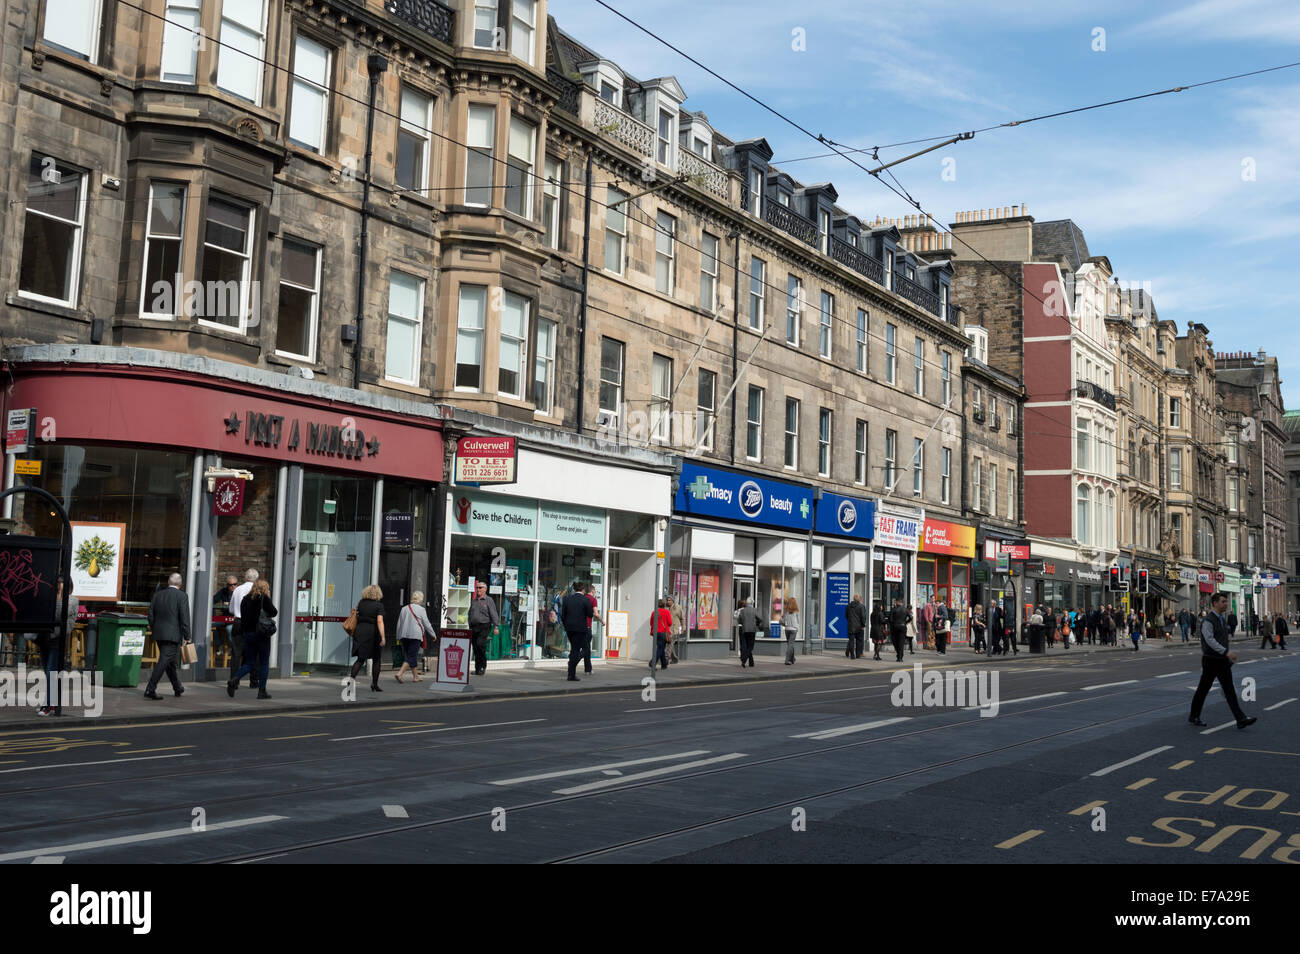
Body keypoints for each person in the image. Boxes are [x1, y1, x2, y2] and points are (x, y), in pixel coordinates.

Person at [1189, 591, 1256, 730]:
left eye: (1226, 601)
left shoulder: (1221, 619)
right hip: (1211, 660)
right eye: (1223, 602)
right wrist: (1225, 651)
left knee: (1229, 689)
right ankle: (1194, 715)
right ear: (1215, 603)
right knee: (1203, 689)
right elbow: (1209, 640)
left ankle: (1240, 719)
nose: (1226, 604)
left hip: (1221, 660)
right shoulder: (1208, 620)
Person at [226, 579, 277, 698]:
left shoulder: (245, 599)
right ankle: (262, 691)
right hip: (262, 634)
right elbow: (274, 612)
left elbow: (243, 618)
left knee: (249, 663)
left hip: (248, 634)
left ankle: (234, 679)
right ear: (265, 588)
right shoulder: (264, 598)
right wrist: (268, 598)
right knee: (264, 663)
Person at [35, 577, 79, 716]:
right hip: (44, 639)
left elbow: (59, 614)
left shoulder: (72, 600)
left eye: (61, 583)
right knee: (48, 674)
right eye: (58, 583)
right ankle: (51, 703)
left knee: (51, 673)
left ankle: (47, 706)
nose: (59, 585)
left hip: (57, 640)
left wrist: (59, 596)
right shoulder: (49, 598)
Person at [144, 572, 191, 700]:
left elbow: (150, 615)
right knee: (164, 661)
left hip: (159, 634)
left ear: (169, 583)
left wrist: (155, 628)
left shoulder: (158, 595)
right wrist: (187, 635)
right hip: (172, 635)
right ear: (180, 584)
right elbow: (184, 617)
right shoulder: (182, 596)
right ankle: (150, 689)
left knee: (169, 662)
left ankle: (177, 687)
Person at [395, 591, 437, 683]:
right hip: (415, 636)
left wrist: (398, 636)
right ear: (421, 599)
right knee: (411, 656)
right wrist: (433, 634)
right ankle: (400, 673)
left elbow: (399, 623)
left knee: (410, 655)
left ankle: (415, 677)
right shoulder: (421, 610)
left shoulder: (404, 609)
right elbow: (427, 624)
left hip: (404, 635)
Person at [229, 569, 257, 688]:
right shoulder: (257, 590)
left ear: (245, 577)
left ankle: (234, 681)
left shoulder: (237, 589)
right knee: (254, 652)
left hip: (238, 622)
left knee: (236, 653)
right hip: (252, 623)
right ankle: (253, 680)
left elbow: (231, 609)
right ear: (256, 578)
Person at [466, 579, 499, 677]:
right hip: (474, 626)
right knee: (475, 647)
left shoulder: (489, 600)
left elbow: (493, 613)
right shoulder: (474, 600)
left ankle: (482, 666)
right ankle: (477, 669)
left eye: (480, 588)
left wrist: (496, 626)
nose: (478, 589)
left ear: (485, 589)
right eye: (477, 588)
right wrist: (470, 623)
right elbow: (470, 613)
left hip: (484, 625)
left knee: (480, 644)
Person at [561, 581, 593, 681]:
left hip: (569, 628)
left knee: (574, 649)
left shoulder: (567, 599)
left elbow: (563, 615)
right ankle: (571, 670)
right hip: (580, 629)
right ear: (583, 590)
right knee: (584, 649)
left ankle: (571, 671)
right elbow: (590, 614)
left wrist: (566, 625)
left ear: (575, 589)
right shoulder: (585, 600)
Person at [212, 573, 240, 670]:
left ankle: (233, 649)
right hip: (224, 618)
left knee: (229, 629)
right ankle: (219, 644)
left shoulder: (239, 592)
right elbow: (212, 601)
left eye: (234, 584)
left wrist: (231, 604)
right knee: (209, 625)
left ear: (237, 584)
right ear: (227, 585)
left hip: (235, 619)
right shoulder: (223, 592)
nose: (232, 586)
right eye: (230, 585)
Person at [582, 583, 603, 675]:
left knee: (581, 648)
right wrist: (602, 621)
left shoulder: (582, 598)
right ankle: (573, 662)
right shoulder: (593, 600)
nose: (595, 593)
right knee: (586, 649)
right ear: (592, 591)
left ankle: (588, 669)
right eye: (595, 591)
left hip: (578, 627)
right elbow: (596, 613)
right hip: (587, 627)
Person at [736, 597, 761, 668]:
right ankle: (744, 660)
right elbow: (760, 618)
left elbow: (739, 620)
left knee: (747, 646)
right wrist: (757, 624)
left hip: (744, 629)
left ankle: (751, 662)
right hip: (752, 630)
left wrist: (743, 623)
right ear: (752, 603)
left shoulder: (743, 611)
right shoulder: (754, 610)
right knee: (750, 647)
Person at [650, 598, 672, 671]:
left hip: (655, 633)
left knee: (661, 648)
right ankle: (653, 663)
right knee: (660, 648)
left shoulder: (654, 612)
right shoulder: (667, 612)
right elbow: (670, 623)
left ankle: (664, 664)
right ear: (664, 605)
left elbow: (651, 623)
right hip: (663, 633)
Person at [846, 593, 867, 660]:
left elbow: (846, 615)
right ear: (858, 599)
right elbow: (863, 617)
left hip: (851, 625)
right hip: (859, 626)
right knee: (859, 641)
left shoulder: (848, 606)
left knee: (851, 640)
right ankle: (858, 655)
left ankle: (852, 655)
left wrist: (850, 621)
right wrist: (863, 624)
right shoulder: (861, 606)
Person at [666, 596, 685, 663]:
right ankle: (674, 658)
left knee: (670, 643)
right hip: (668, 630)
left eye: (670, 600)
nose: (668, 601)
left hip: (675, 629)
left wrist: (683, 628)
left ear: (673, 601)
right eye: (667, 600)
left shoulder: (678, 608)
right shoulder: (666, 608)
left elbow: (682, 618)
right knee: (671, 644)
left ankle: (666, 658)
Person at [783, 597, 800, 665]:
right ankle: (787, 660)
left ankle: (792, 659)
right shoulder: (796, 612)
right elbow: (798, 621)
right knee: (790, 645)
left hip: (787, 629)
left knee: (790, 644)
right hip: (793, 629)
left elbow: (784, 619)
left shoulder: (786, 611)